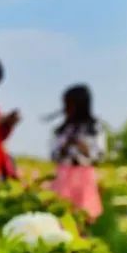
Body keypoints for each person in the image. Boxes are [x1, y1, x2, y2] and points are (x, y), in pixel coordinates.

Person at [50, 84, 105, 219]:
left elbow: (99, 155)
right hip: (64, 173)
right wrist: (65, 146)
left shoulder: (94, 127)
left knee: (84, 214)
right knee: (62, 213)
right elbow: (54, 155)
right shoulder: (63, 129)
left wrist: (83, 147)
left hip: (84, 174)